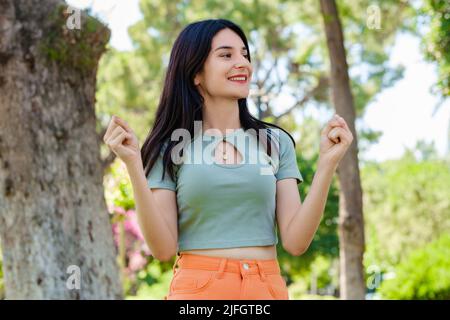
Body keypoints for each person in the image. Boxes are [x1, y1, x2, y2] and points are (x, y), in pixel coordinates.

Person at [103, 19, 353, 300]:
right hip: (198, 291)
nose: (243, 63)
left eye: (245, 54)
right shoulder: (171, 146)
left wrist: (327, 165)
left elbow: (296, 242)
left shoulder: (274, 142)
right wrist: (134, 166)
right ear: (195, 72)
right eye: (226, 55)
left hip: (265, 289)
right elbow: (162, 249)